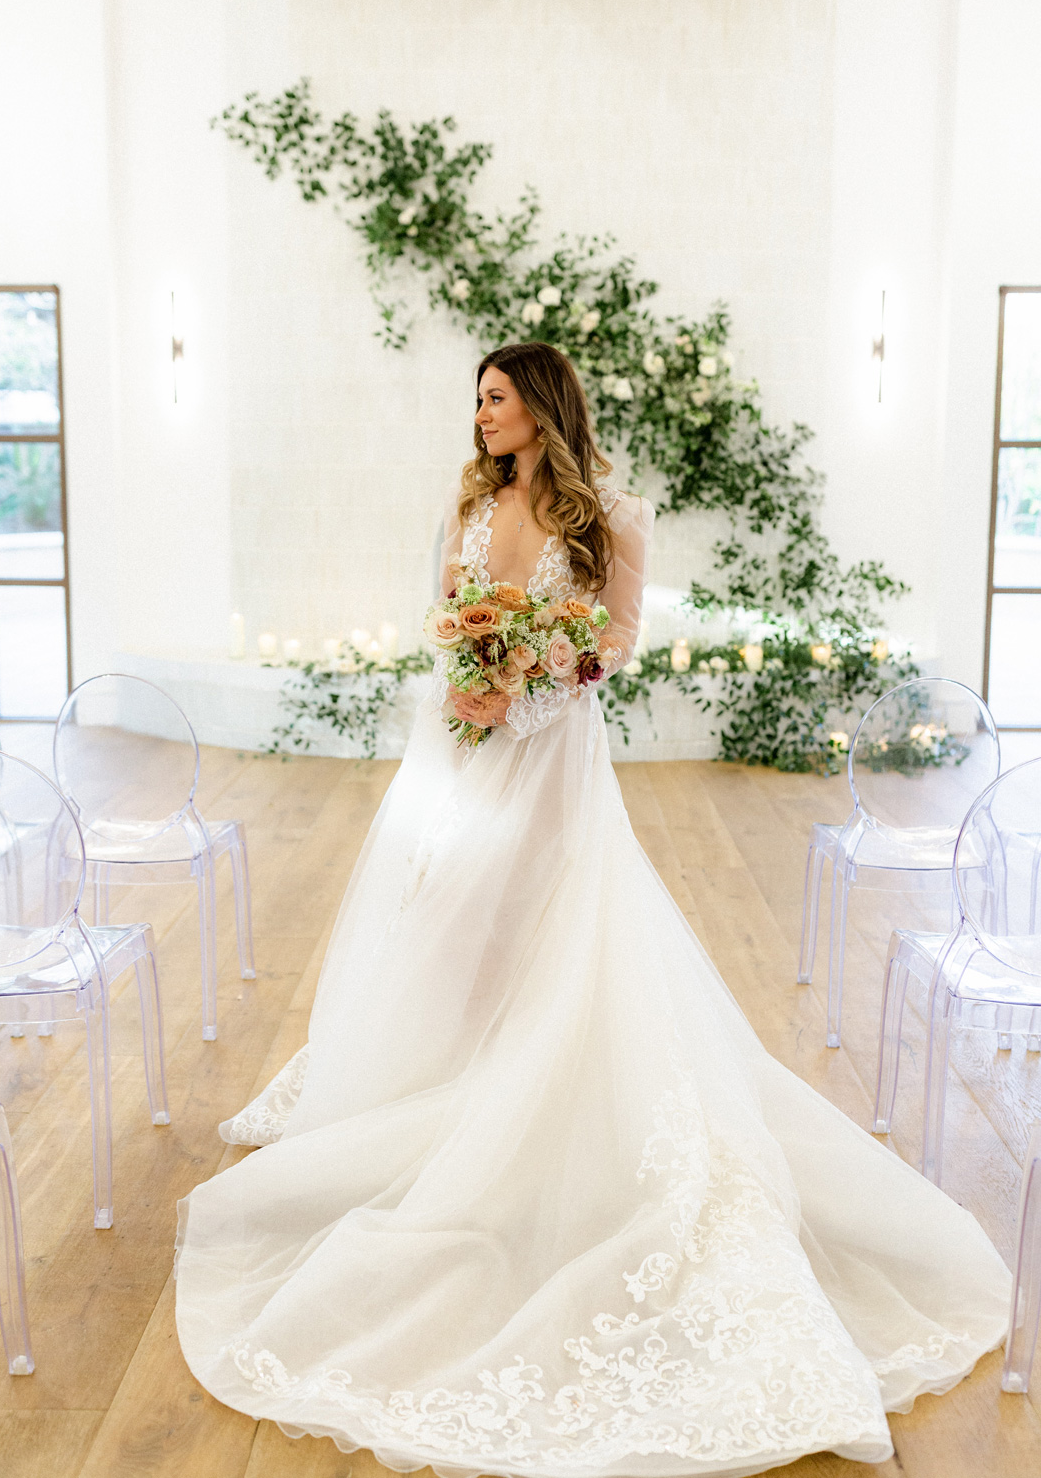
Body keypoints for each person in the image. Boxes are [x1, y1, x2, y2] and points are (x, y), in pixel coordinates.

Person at [176, 342, 1009, 1477]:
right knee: (455, 921)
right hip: (468, 749)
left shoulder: (611, 513)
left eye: (497, 398)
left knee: (549, 920)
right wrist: (468, 668)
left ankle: (545, 1116)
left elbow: (616, 642)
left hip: (554, 757)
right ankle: (455, 1082)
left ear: (542, 408)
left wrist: (535, 667)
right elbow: (447, 612)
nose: (480, 416)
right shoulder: (473, 498)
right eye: (475, 400)